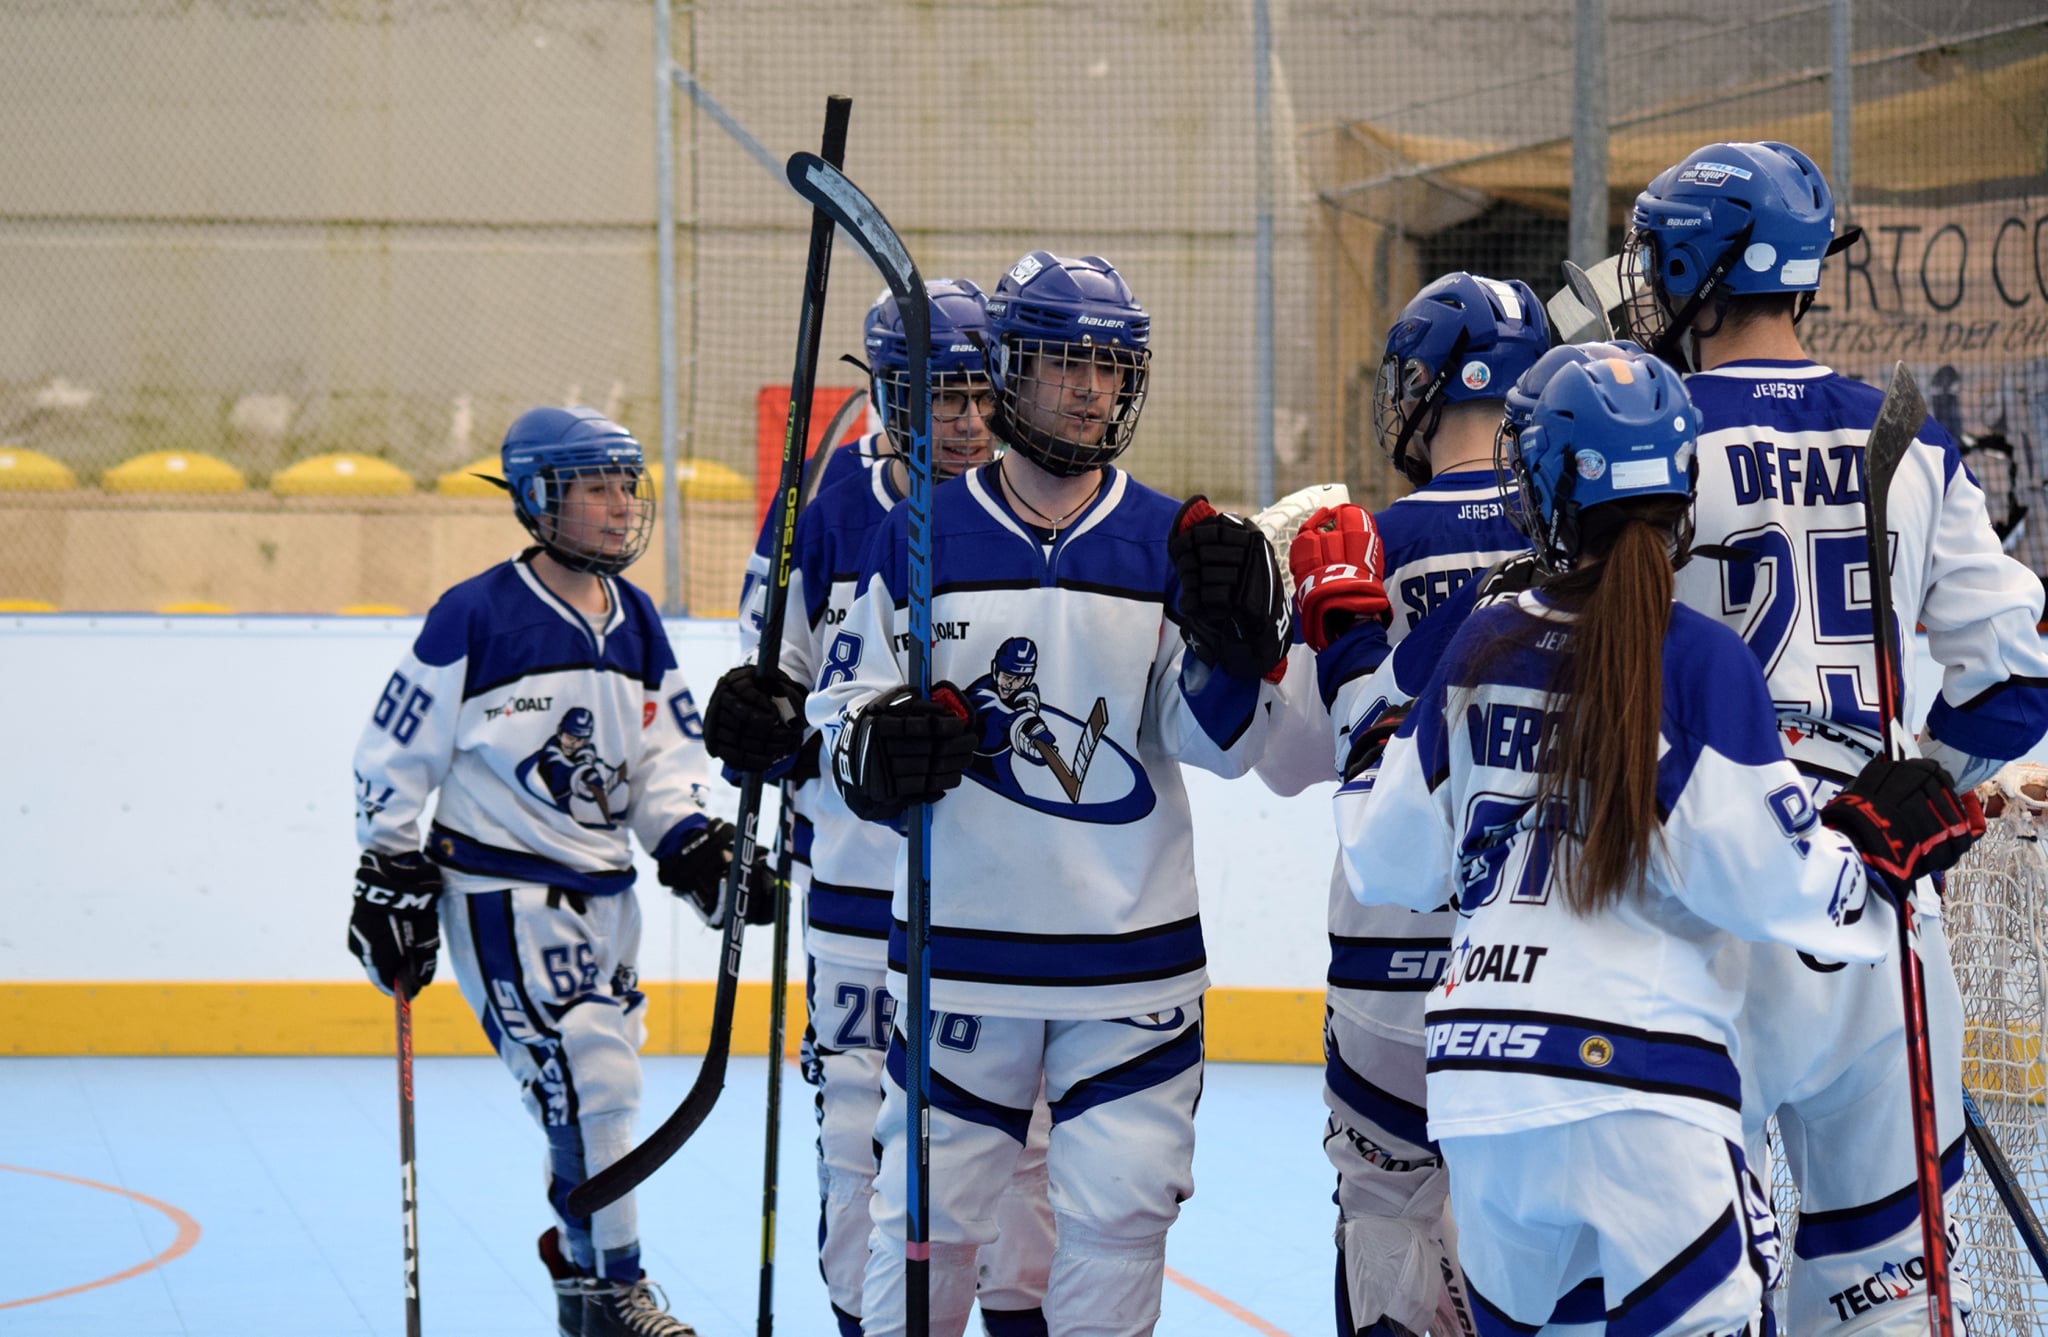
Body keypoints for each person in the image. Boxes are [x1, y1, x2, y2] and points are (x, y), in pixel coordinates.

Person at [1310, 349, 1984, 1337]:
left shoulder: (1480, 644)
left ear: (1538, 485)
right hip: (1642, 1082)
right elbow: (1772, 887)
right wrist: (1875, 854)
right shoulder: (1697, 655)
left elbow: (1386, 860)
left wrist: (1359, 680)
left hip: (1481, 1082)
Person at [808, 250, 1291, 1336]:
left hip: (1132, 970)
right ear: (1011, 370)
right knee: (921, 1221)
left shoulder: (1172, 538)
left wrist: (1244, 643)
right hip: (959, 961)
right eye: (1067, 362)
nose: (1090, 389)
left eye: (1112, 367)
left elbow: (1218, 744)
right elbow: (838, 707)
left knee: (1120, 1223)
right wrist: (870, 748)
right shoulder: (918, 532)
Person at [1621, 139, 2048, 1334]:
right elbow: (2015, 675)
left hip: (1691, 916)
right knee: (1879, 1294)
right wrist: (1921, 797)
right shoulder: (1908, 440)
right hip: (1873, 919)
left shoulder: (1643, 438)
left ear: (1696, 268)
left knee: (1689, 1293)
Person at [348, 405, 765, 1337]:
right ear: (540, 498)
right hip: (503, 892)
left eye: (628, 485)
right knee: (595, 1076)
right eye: (596, 487)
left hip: (608, 894)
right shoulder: (476, 613)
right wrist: (386, 863)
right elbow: (395, 750)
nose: (621, 507)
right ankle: (619, 1287)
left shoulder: (638, 619)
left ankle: (581, 1283)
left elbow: (664, 758)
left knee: (588, 1096)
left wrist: (692, 843)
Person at [703, 280, 1056, 1336]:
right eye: (929, 394)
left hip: (996, 897)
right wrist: (759, 713)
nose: (958, 419)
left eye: (971, 393)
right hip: (857, 889)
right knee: (856, 1135)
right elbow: (777, 666)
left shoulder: (1025, 501)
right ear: (884, 392)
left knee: (1019, 1157)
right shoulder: (827, 505)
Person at [1256, 271, 1550, 1337]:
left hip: (1388, 956)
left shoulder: (1360, 540)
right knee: (1534, 1254)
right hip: (1544, 955)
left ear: (1425, 387)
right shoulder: (1590, 528)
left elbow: (1292, 759)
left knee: (1384, 1227)